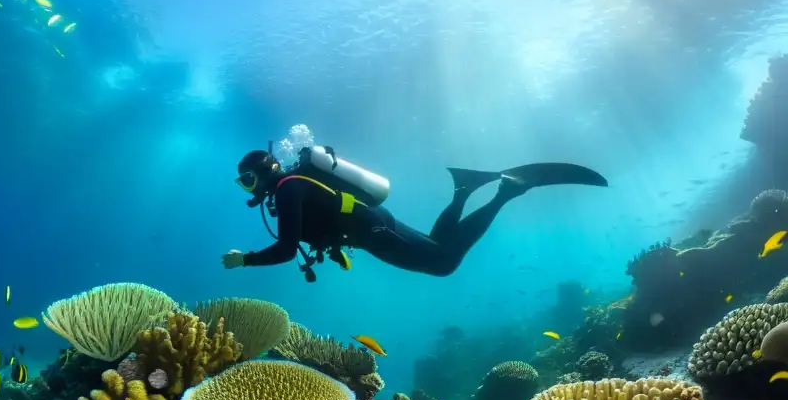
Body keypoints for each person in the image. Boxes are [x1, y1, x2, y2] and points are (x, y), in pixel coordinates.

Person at [222, 146, 607, 280]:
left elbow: (288, 249)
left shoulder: (288, 189)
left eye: (248, 180)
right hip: (373, 225)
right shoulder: (293, 187)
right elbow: (322, 222)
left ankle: (505, 192)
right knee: (438, 246)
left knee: (442, 263)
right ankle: (463, 189)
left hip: (373, 232)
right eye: (243, 184)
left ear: (267, 172)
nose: (249, 189)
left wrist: (246, 260)